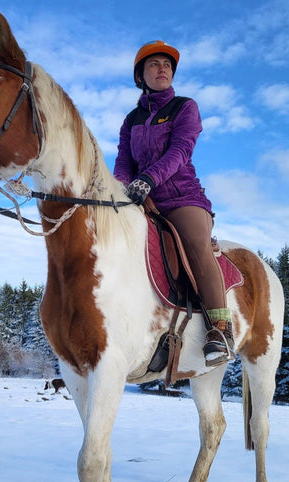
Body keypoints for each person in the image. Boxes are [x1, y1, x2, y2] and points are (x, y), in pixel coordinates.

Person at [114, 40, 234, 367]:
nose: (162, 68)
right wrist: (122, 187)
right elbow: (124, 160)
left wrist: (148, 180)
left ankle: (220, 330)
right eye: (154, 64)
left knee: (196, 245)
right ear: (141, 75)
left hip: (183, 198)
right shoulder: (131, 120)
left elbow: (180, 152)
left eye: (167, 64)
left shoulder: (185, 107)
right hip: (143, 200)